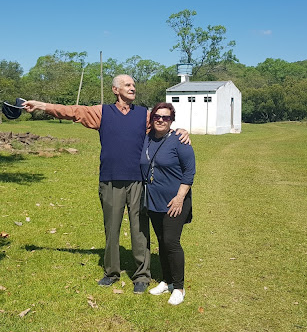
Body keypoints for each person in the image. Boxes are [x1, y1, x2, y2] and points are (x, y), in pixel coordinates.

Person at [22, 75, 189, 294]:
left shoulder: (143, 115)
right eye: (128, 85)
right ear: (115, 90)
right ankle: (111, 272)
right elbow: (72, 111)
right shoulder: (102, 112)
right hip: (110, 180)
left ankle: (141, 276)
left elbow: (163, 126)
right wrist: (42, 105)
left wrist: (181, 132)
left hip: (138, 181)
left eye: (133, 85)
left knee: (140, 230)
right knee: (112, 229)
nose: (132, 88)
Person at [140, 102, 195, 305]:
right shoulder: (146, 138)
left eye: (166, 117)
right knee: (162, 241)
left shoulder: (179, 140)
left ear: (172, 120)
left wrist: (180, 197)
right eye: (157, 116)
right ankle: (166, 281)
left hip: (175, 201)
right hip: (154, 200)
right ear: (152, 118)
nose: (161, 120)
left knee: (171, 242)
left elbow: (189, 172)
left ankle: (179, 288)